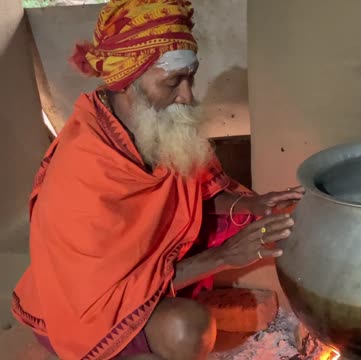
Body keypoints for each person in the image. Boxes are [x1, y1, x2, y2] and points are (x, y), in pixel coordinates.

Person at [11, 1, 303, 359]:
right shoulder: (79, 177)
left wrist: (251, 204)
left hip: (146, 271)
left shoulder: (155, 126)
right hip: (87, 313)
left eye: (190, 77)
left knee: (260, 222)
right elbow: (100, 297)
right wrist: (223, 257)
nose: (188, 95)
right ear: (126, 83)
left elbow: (200, 189)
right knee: (186, 328)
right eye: (172, 82)